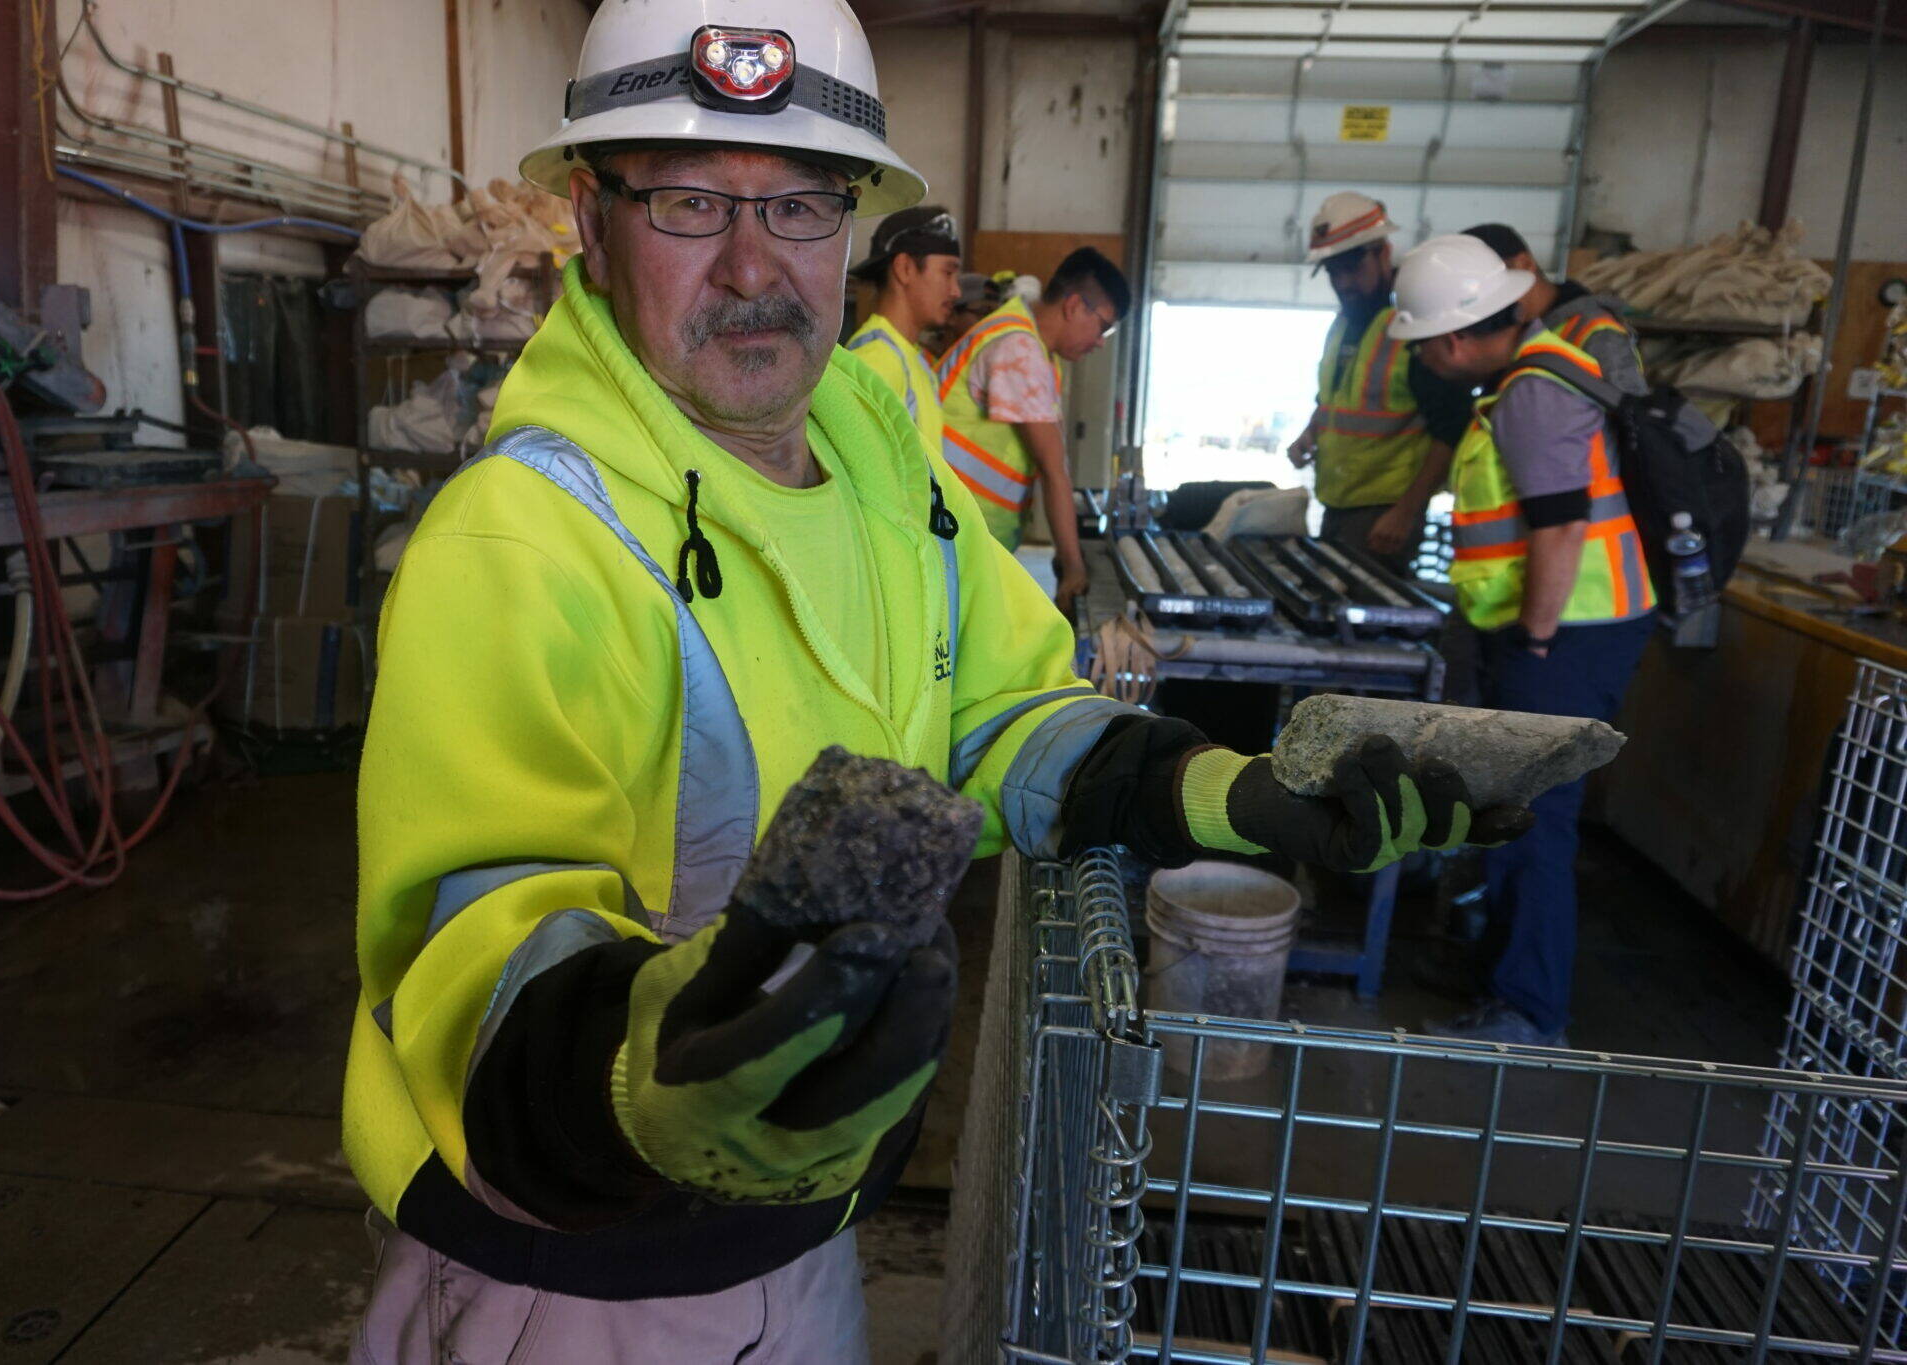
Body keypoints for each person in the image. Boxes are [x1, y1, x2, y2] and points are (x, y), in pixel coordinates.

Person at [345, 5, 1529, 1358]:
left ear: (854, 226)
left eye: (800, 206)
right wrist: (644, 1075)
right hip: (572, 1279)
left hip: (805, 1231)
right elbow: (473, 945)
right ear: (590, 222)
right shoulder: (524, 535)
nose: (753, 265)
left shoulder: (868, 444)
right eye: (686, 203)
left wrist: (1232, 790)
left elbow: (1001, 708)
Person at [1388, 234, 1658, 1048]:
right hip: (1563, 632)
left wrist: (1534, 646)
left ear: (1453, 338)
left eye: (1423, 344)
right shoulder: (1531, 372)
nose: (1425, 360)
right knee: (1514, 810)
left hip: (1565, 637)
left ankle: (1529, 1009)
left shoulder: (1535, 392)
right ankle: (1502, 978)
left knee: (1535, 821)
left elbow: (1562, 530)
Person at [1288, 192, 1475, 574]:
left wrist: (1406, 511)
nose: (1344, 283)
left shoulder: (1415, 330)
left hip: (1383, 515)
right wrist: (1311, 431)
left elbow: (1452, 428)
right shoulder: (1343, 325)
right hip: (1338, 504)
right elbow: (1336, 399)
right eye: (1333, 272)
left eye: (1352, 268)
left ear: (1383, 254)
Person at [936, 247, 1127, 613]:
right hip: (953, 535)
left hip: (963, 533)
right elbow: (1055, 470)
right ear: (1074, 306)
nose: (1101, 341)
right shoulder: (1018, 349)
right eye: (1103, 326)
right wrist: (1073, 569)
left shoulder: (1023, 338)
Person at [1460, 222, 1648, 394]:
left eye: (1487, 282)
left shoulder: (1597, 332)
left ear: (1524, 264)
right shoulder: (1511, 326)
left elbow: (1627, 415)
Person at [846, 206, 961, 450]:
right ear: (905, 268)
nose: (956, 291)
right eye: (947, 272)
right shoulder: (877, 360)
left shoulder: (909, 356)